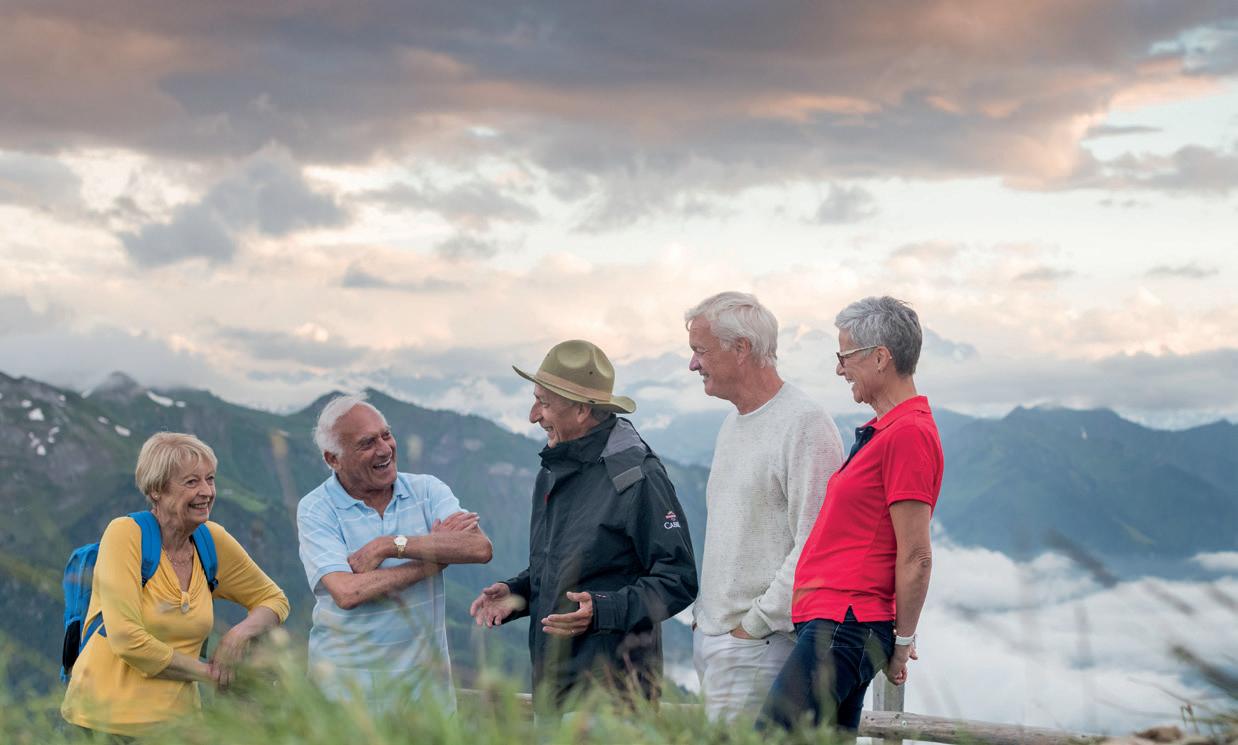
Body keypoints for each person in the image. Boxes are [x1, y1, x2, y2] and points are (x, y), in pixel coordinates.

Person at [468, 340, 698, 712]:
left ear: (581, 409)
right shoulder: (554, 468)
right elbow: (568, 564)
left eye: (543, 403)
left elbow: (680, 580)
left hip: (612, 699)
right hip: (551, 689)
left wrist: (604, 609)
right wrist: (517, 593)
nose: (533, 415)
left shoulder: (636, 476)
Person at [759, 296, 944, 733]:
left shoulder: (908, 434)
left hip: (846, 621)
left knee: (772, 736)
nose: (839, 370)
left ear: (880, 358)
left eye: (845, 356)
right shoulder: (889, 431)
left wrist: (902, 641)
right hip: (843, 622)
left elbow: (916, 554)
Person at [61, 432, 289, 738]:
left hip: (180, 726)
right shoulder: (125, 534)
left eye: (210, 479)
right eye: (191, 482)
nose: (207, 491)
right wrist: (213, 674)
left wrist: (238, 635)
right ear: (156, 490)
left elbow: (274, 599)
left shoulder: (211, 541)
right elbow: (127, 639)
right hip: (101, 722)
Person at [684, 291, 844, 722]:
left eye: (701, 350)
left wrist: (754, 625)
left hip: (759, 645)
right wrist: (707, 621)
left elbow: (818, 542)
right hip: (720, 638)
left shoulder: (805, 424)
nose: (693, 364)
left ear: (741, 349)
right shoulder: (733, 422)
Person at [296, 394, 493, 712]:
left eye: (386, 435)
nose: (384, 449)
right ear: (333, 459)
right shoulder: (316, 508)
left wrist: (388, 545)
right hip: (345, 703)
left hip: (427, 703)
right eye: (366, 443)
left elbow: (479, 547)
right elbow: (347, 592)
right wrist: (432, 560)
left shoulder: (427, 490)